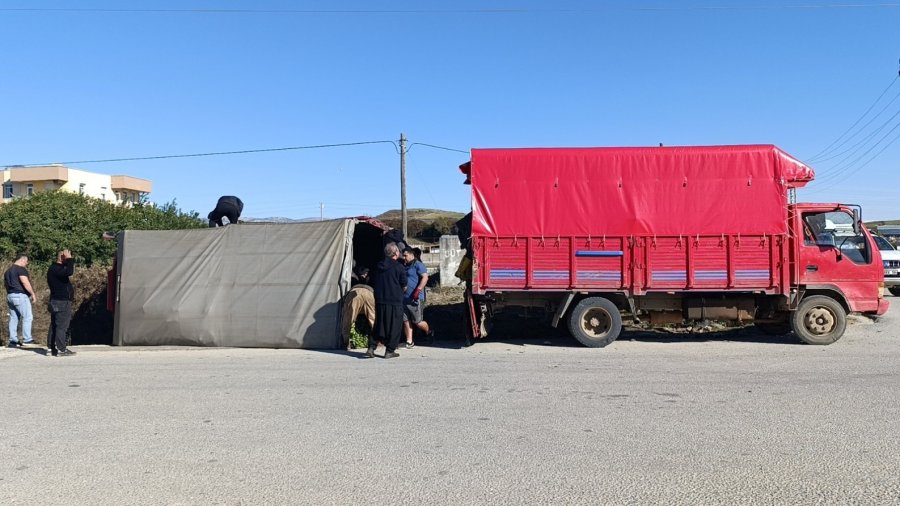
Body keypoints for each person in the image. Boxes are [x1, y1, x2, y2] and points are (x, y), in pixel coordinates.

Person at [369, 242, 406, 359]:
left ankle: (371, 347)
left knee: (379, 324)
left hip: (380, 299)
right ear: (395, 253)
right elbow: (404, 285)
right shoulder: (399, 267)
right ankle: (390, 350)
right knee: (395, 326)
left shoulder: (378, 265)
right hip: (394, 300)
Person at [46, 249, 77, 357]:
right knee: (61, 326)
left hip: (56, 301)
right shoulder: (56, 269)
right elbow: (69, 271)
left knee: (54, 325)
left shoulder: (53, 268)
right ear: (63, 257)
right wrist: (69, 259)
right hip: (61, 302)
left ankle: (51, 348)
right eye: (68, 256)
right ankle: (61, 349)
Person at [401, 247, 431, 349]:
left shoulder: (418, 265)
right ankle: (409, 341)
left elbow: (425, 277)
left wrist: (418, 290)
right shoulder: (405, 266)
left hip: (415, 299)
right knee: (406, 320)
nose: (404, 257)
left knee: (417, 322)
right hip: (404, 299)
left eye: (406, 255)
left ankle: (429, 332)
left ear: (411, 254)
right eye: (403, 256)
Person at [4, 254, 36, 347]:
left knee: (14, 318)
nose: (27, 263)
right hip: (20, 295)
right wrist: (32, 294)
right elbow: (24, 282)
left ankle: (13, 340)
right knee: (27, 317)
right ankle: (27, 339)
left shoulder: (7, 271)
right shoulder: (21, 269)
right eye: (26, 262)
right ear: (22, 260)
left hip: (10, 295)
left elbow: (6, 285)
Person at [340, 267, 375, 350]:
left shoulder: (353, 277)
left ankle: (346, 343)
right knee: (373, 319)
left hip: (354, 292)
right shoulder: (372, 277)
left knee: (348, 318)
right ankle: (375, 342)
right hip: (369, 292)